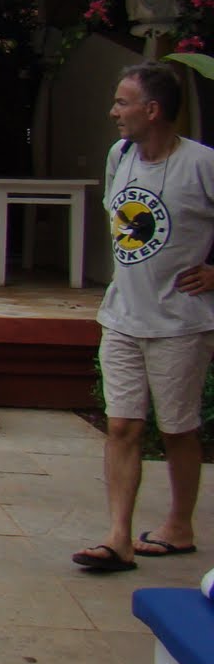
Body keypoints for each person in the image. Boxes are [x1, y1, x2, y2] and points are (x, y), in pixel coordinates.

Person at [72, 62, 214, 573]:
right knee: (122, 426)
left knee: (177, 430)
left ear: (152, 110)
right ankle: (118, 538)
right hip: (122, 317)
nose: (114, 111)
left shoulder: (202, 164)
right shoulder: (121, 155)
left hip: (180, 323)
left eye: (122, 102)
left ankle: (179, 527)